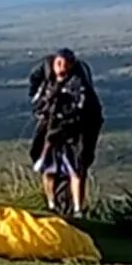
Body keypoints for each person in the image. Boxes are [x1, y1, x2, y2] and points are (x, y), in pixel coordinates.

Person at [28, 48, 103, 215]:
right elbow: (37, 102)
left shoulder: (78, 84)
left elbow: (80, 106)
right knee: (49, 169)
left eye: (64, 63)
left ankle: (77, 208)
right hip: (51, 133)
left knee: (76, 170)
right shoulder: (47, 83)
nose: (61, 67)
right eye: (58, 63)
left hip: (72, 134)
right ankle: (52, 204)